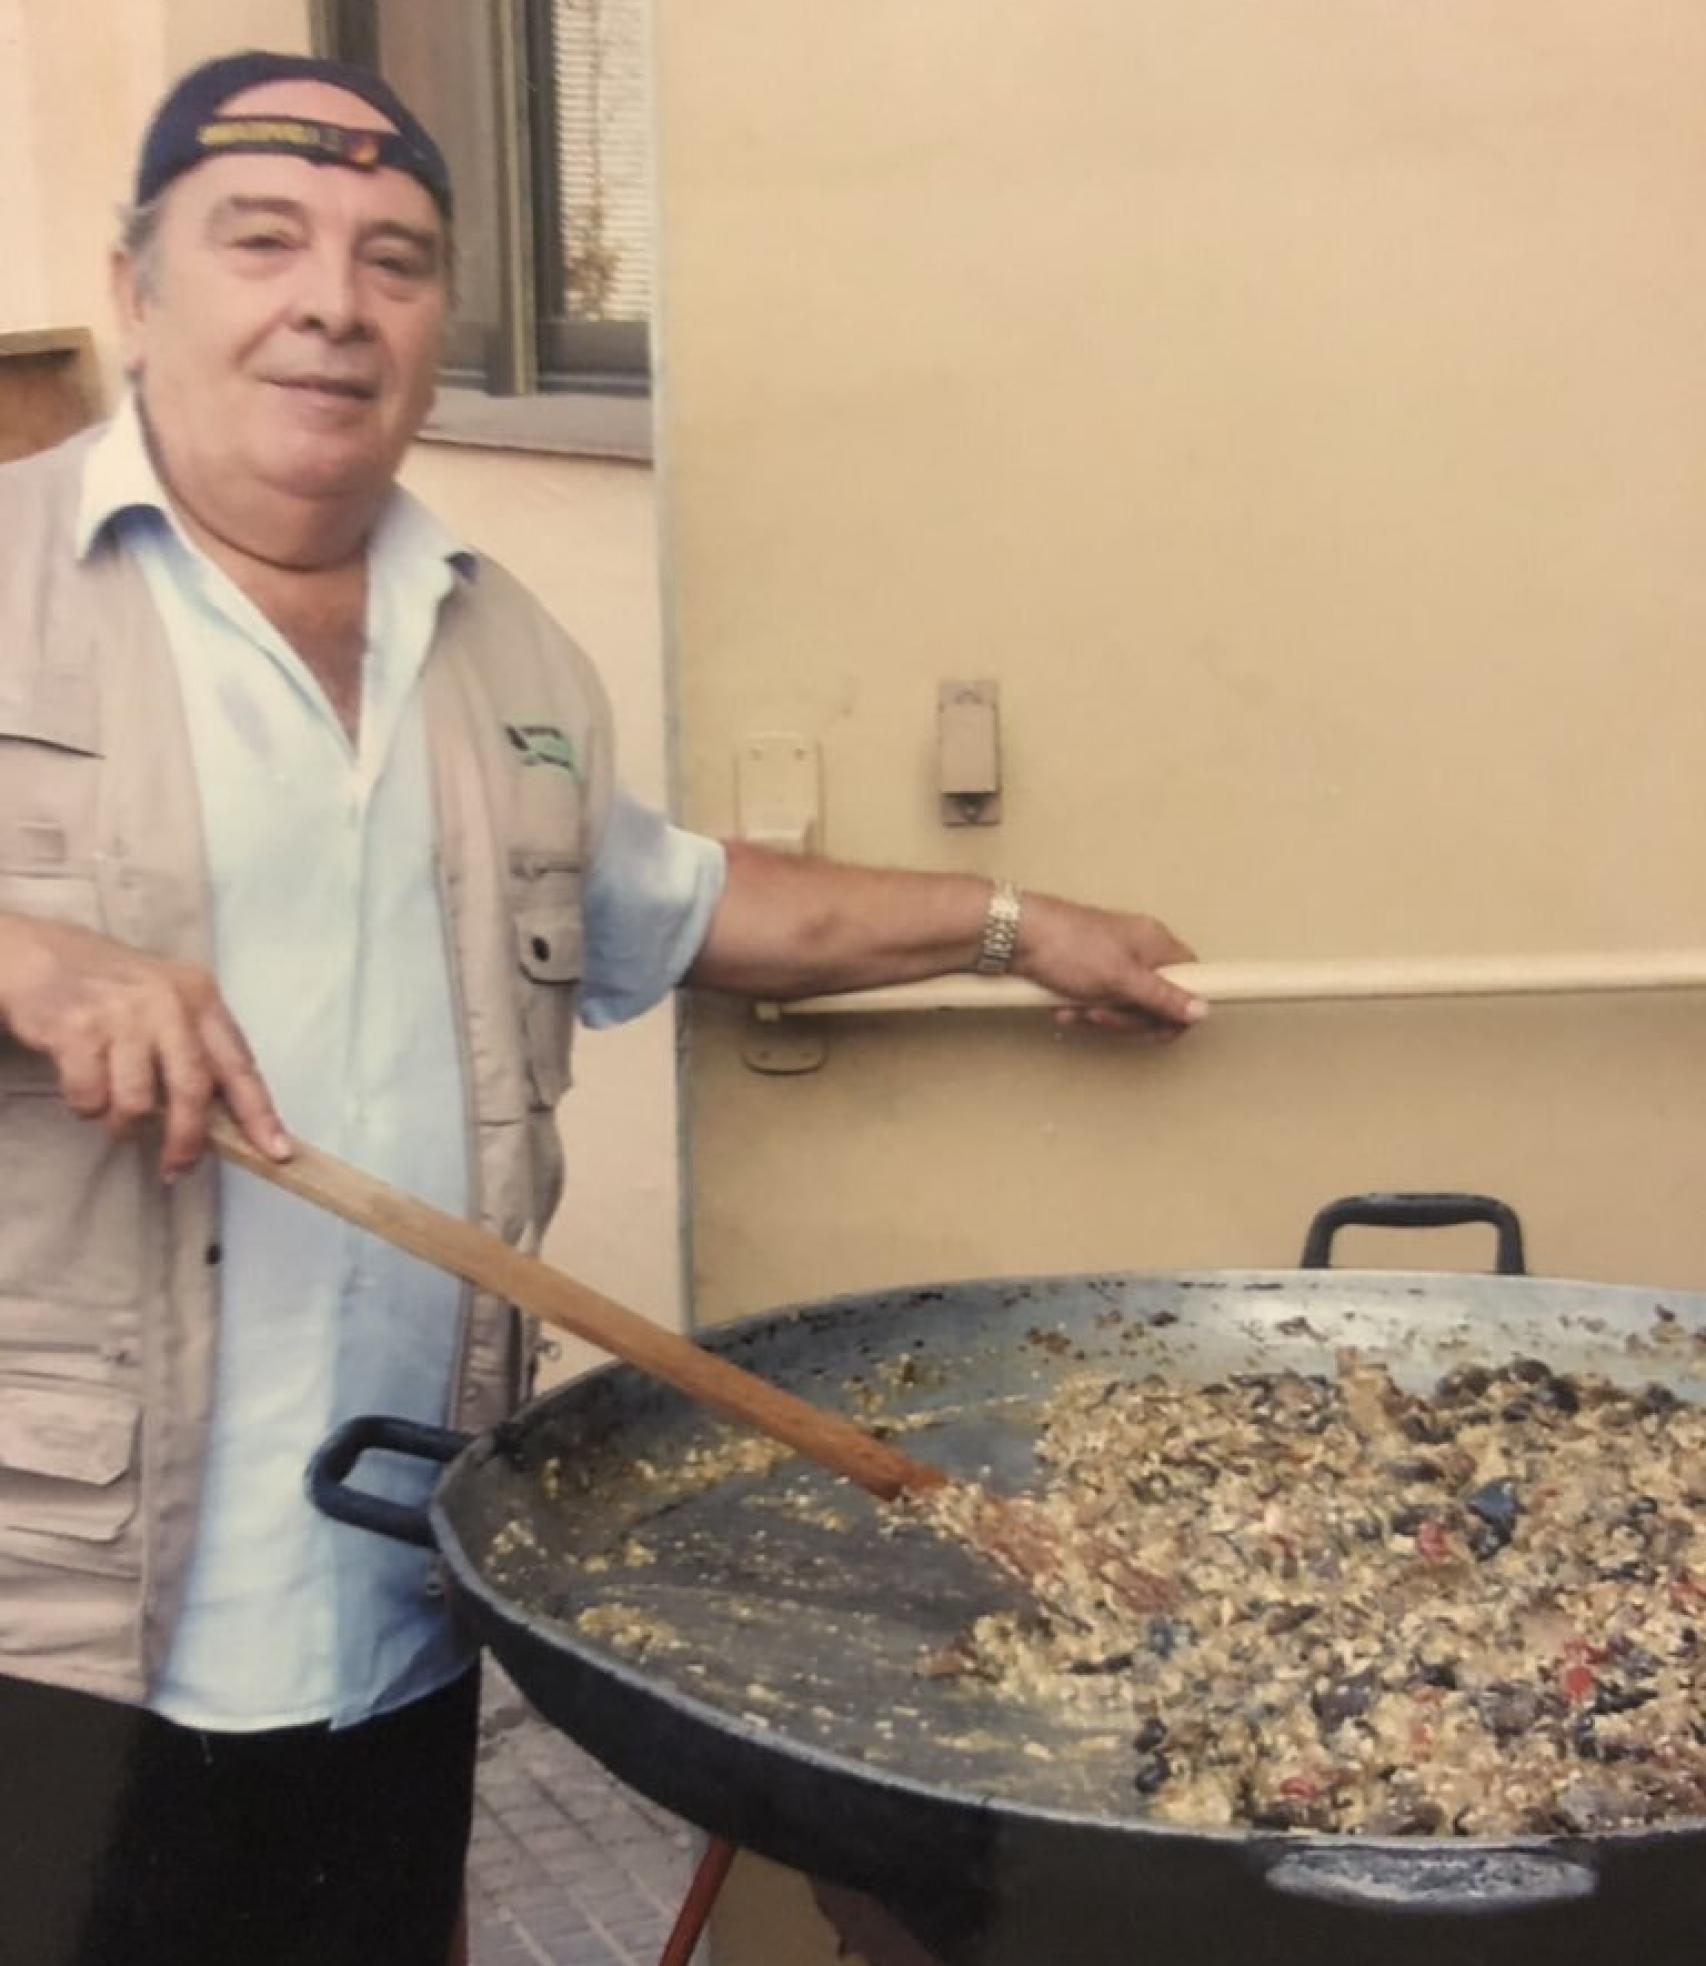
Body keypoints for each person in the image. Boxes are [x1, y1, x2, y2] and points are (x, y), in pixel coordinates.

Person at [0, 48, 1202, 1966]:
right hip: (51, 1607)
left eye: (396, 258)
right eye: (263, 240)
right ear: (139, 286)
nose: (332, 297)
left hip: (389, 1582)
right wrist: (30, 954)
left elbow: (693, 901)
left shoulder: (505, 648)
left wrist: (1004, 919)